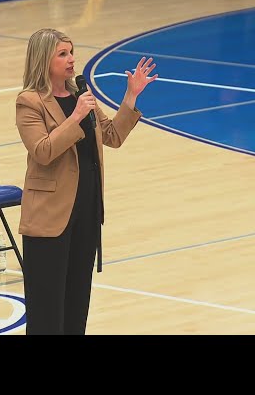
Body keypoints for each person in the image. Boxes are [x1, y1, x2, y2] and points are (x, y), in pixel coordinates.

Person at [15, 28, 158, 335]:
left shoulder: (81, 96)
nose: (71, 60)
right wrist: (76, 117)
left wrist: (130, 96)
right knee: (46, 312)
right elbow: (43, 151)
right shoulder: (30, 102)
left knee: (77, 305)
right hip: (49, 217)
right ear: (43, 60)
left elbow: (113, 136)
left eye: (72, 52)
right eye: (62, 54)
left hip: (86, 211)